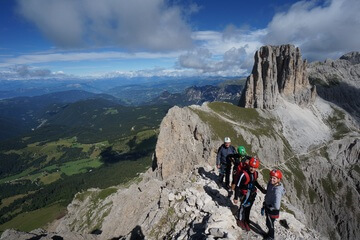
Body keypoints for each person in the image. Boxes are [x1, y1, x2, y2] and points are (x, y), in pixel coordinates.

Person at [233, 157, 266, 231]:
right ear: (248, 165)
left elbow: (255, 182)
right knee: (242, 206)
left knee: (248, 207)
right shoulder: (243, 174)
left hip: (251, 194)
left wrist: (261, 190)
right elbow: (237, 186)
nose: (252, 169)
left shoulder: (255, 174)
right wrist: (236, 197)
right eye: (251, 167)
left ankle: (246, 220)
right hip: (244, 194)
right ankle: (240, 220)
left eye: (254, 167)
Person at [262, 169, 286, 240]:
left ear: (279, 179)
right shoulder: (271, 183)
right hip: (268, 207)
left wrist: (270, 207)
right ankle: (269, 234)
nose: (271, 179)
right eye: (271, 177)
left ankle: (271, 237)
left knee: (270, 224)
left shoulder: (277, 191)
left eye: (274, 178)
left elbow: (277, 206)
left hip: (272, 210)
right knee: (268, 223)